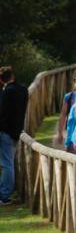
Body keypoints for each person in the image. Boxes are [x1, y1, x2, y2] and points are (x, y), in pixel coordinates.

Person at [0, 67, 29, 205]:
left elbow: (3, 112)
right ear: (12, 75)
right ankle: (4, 192)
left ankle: (4, 195)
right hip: (15, 131)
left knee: (7, 164)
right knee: (8, 163)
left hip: (5, 131)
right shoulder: (23, 89)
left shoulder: (7, 91)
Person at [56, 72, 76, 146]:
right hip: (71, 130)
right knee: (70, 149)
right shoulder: (68, 97)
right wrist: (60, 132)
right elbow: (63, 114)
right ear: (75, 84)